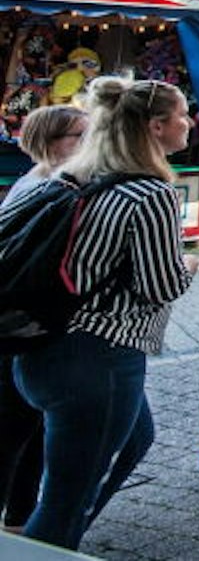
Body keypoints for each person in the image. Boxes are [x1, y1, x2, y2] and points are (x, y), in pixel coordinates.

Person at [11, 78, 197, 549]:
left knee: (135, 440)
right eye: (181, 115)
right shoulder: (149, 194)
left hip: (40, 351)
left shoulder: (71, 178)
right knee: (59, 509)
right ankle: (53, 545)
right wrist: (189, 264)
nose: (189, 122)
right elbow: (160, 287)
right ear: (155, 127)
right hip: (99, 358)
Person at [0, 106, 85, 535]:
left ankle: (18, 521)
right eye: (78, 136)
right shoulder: (45, 188)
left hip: (27, 331)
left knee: (31, 432)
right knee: (15, 432)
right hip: (19, 330)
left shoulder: (40, 184)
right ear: (52, 144)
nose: (88, 144)